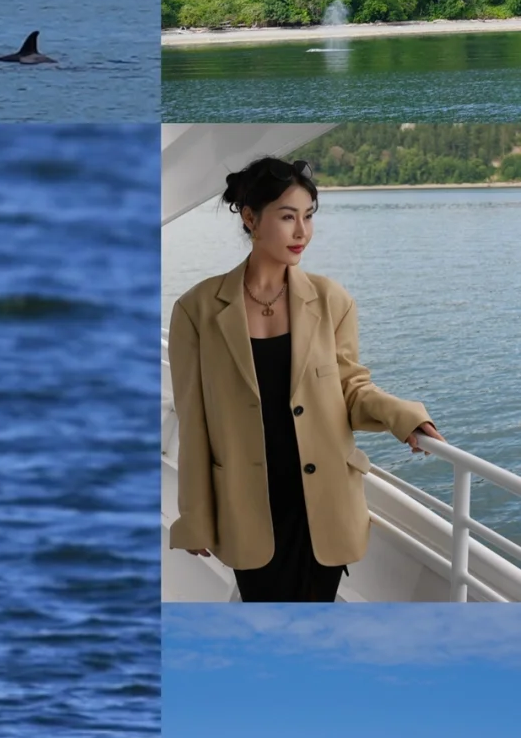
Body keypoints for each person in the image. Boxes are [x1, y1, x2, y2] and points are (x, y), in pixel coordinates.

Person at [167, 156, 445, 602]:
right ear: (251, 218)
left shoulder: (332, 300)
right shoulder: (196, 311)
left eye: (309, 217)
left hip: (323, 499)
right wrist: (196, 516)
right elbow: (194, 421)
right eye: (288, 217)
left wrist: (405, 418)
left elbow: (352, 388)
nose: (303, 232)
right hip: (247, 503)